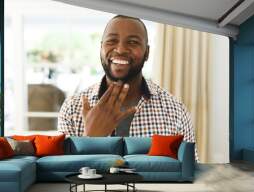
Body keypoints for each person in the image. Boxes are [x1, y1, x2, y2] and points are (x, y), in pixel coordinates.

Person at [58, 15, 195, 144]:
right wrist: (91, 138)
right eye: (112, 41)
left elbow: (189, 168)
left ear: (147, 53)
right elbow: (64, 169)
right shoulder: (72, 109)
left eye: (133, 42)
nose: (121, 49)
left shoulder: (175, 111)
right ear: (101, 48)